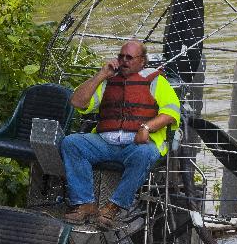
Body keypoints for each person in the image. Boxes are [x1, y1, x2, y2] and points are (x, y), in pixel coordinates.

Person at [61, 40, 180, 229]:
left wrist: (147, 127)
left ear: (142, 61)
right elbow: (77, 102)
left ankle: (113, 207)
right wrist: (101, 75)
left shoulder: (156, 80)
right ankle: (85, 204)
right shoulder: (108, 80)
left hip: (137, 144)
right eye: (121, 56)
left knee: (144, 154)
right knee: (72, 143)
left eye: (129, 58)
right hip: (104, 142)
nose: (124, 61)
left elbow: (172, 113)